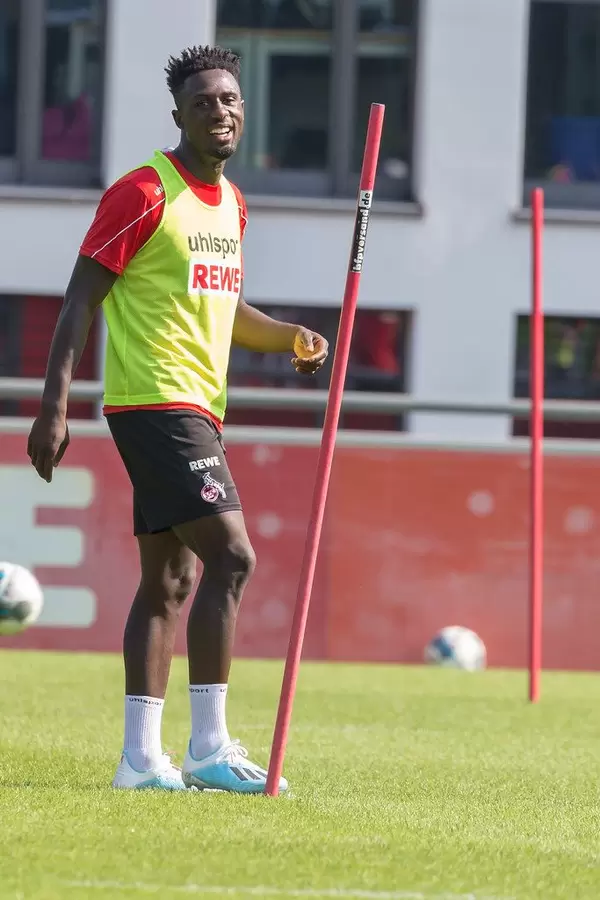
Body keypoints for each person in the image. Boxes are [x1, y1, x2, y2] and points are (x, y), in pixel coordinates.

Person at [26, 45, 328, 794]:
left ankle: (139, 760)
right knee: (233, 557)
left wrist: (287, 335)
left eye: (229, 100)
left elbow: (225, 313)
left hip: (200, 404)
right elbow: (78, 300)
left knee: (170, 578)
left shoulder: (234, 205)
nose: (219, 112)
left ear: (242, 108)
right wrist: (53, 406)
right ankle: (209, 748)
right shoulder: (142, 191)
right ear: (179, 117)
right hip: (153, 401)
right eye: (203, 103)